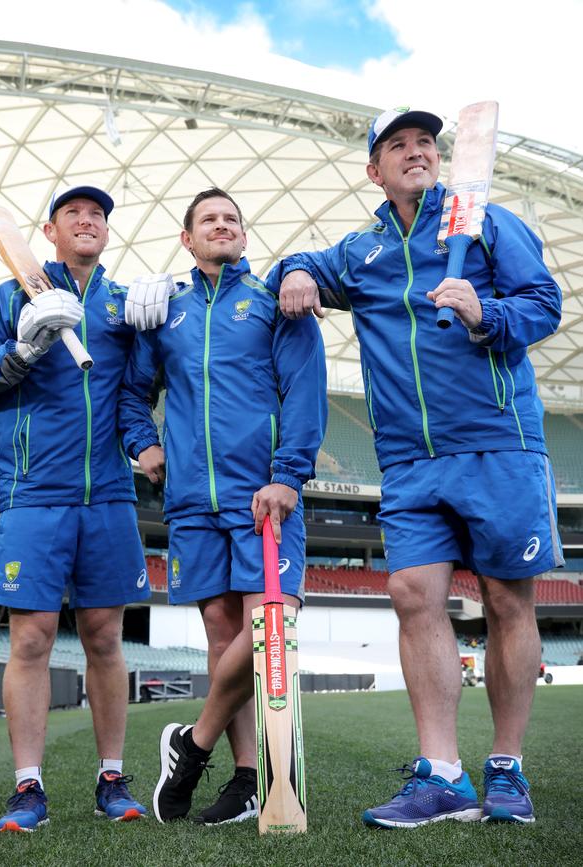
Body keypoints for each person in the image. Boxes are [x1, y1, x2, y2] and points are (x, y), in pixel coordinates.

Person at [267, 107, 564, 827]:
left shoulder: (483, 220)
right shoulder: (362, 250)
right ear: (375, 169)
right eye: (397, 145)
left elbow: (543, 302)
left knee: (506, 603)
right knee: (410, 593)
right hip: (407, 459)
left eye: (425, 142)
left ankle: (506, 767)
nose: (415, 152)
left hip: (498, 441)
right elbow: (295, 264)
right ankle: (443, 773)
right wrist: (299, 270)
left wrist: (487, 312)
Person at [0, 185, 161, 832]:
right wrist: (21, 351)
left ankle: (112, 777)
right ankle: (28, 786)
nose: (88, 219)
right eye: (74, 212)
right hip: (34, 495)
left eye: (98, 213)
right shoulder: (10, 296)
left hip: (107, 496)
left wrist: (145, 445)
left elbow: (135, 392)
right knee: (33, 637)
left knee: (104, 637)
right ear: (49, 230)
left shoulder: (124, 305)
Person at [118, 187, 327, 825]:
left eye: (232, 218)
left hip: (263, 497)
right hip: (190, 503)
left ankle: (194, 742)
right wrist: (145, 445)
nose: (222, 225)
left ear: (243, 235)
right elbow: (133, 393)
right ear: (187, 239)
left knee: (268, 625)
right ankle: (244, 780)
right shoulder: (166, 313)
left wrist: (288, 477)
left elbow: (305, 392)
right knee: (221, 634)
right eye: (208, 219)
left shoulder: (272, 303)